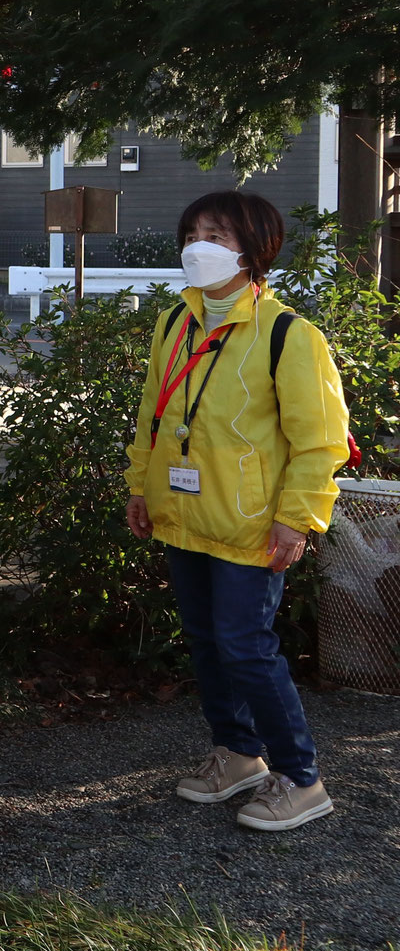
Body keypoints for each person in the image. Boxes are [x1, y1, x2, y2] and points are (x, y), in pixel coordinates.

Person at [124, 190, 350, 833]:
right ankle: (238, 753)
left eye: (217, 234)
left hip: (252, 525)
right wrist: (142, 487)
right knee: (205, 642)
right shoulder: (175, 324)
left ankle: (301, 778)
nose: (200, 244)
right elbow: (154, 416)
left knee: (246, 648)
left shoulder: (289, 334)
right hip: (184, 515)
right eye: (194, 231)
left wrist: (298, 517)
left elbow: (320, 442)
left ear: (254, 249)